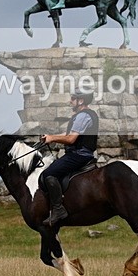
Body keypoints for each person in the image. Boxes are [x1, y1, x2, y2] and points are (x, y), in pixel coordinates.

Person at [38, 90, 99, 226]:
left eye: (73, 99)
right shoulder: (84, 115)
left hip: (79, 155)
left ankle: (58, 209)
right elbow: (69, 134)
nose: (70, 101)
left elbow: (71, 139)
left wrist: (52, 138)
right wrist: (49, 137)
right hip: (80, 153)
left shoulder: (83, 116)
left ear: (81, 101)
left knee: (48, 173)